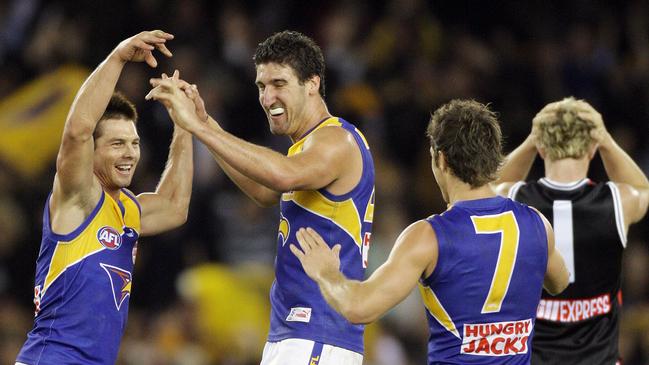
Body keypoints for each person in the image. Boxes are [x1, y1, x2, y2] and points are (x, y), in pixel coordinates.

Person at [146, 30, 375, 364]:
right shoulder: (307, 149)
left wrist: (198, 128)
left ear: (312, 83)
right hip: (297, 334)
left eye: (279, 84)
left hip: (318, 333)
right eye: (261, 87)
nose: (267, 98)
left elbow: (281, 175)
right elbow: (265, 190)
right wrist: (204, 121)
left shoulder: (337, 140)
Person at [290, 99, 570, 364]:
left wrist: (326, 272)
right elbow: (560, 282)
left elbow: (359, 307)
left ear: (441, 160)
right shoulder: (537, 225)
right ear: (493, 158)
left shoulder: (428, 237)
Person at [15, 30, 194, 365]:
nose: (129, 154)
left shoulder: (127, 209)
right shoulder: (78, 196)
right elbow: (78, 129)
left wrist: (184, 125)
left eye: (134, 143)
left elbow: (174, 206)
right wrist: (119, 57)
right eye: (117, 143)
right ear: (91, 152)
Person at [494, 97, 649, 365]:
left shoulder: (514, 197)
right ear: (592, 149)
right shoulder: (617, 201)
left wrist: (532, 140)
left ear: (542, 150)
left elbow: (482, 190)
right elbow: (644, 190)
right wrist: (607, 141)